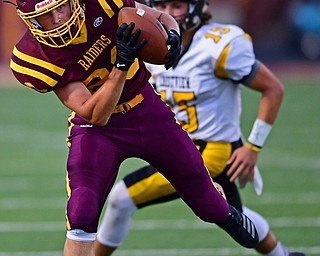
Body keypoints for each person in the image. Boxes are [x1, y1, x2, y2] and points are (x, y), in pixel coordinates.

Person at [10, 0, 260, 255]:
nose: (57, 20)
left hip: (147, 111)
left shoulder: (104, 4)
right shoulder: (32, 56)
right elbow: (95, 114)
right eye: (45, 15)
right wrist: (121, 65)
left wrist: (171, 36)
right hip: (98, 129)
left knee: (209, 207)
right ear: (29, 19)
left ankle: (224, 209)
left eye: (59, 8)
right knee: (81, 212)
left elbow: (160, 18)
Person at [95, 0, 306, 256]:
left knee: (122, 198)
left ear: (196, 8)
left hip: (211, 149)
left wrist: (253, 147)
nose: (169, 13)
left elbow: (273, 88)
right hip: (178, 143)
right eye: (161, 5)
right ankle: (283, 254)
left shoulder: (218, 45)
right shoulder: (147, 44)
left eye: (177, 5)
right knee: (232, 214)